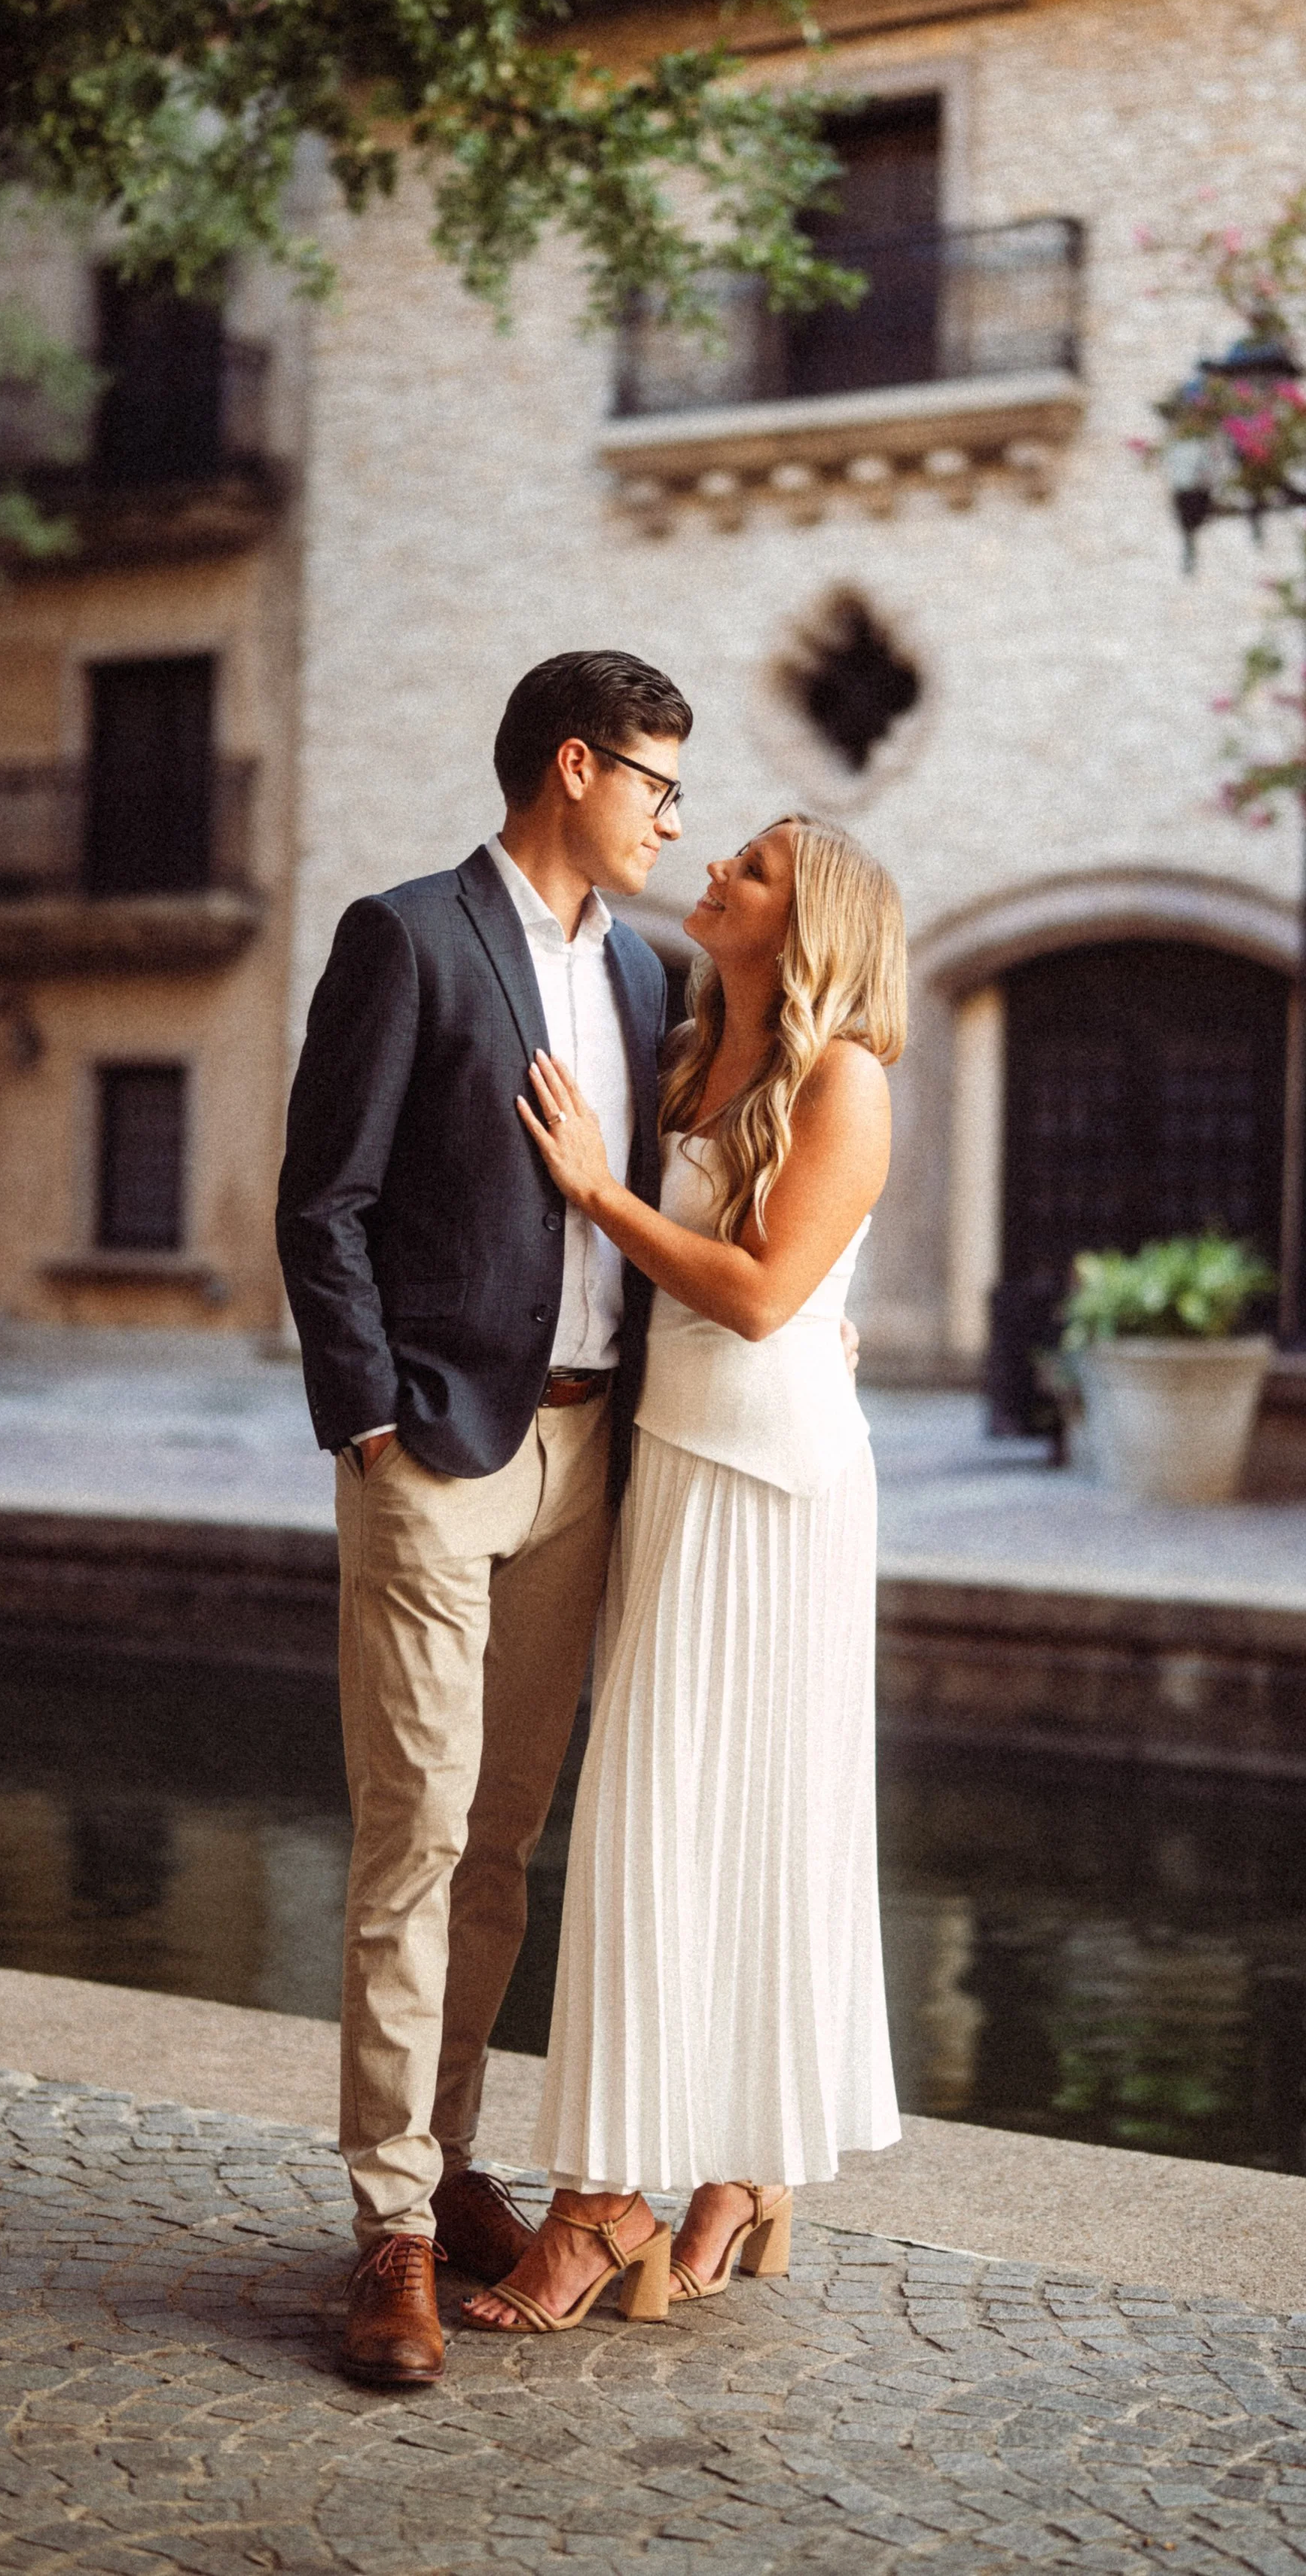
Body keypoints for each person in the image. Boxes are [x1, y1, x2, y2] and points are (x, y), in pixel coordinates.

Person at [275, 649, 691, 2386]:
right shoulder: (407, 936)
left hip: (595, 1456)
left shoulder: (655, 975)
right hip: (439, 1451)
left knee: (506, 1835)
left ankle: (448, 2167)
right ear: (574, 767)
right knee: (414, 1835)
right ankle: (386, 2227)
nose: (674, 816)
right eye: (657, 783)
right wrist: (370, 1417)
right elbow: (326, 1201)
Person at [462, 813, 905, 2339]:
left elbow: (770, 1295)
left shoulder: (845, 1079)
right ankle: (718, 2171)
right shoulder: (682, 1052)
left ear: (811, 919)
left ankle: (641, 2196)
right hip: (668, 1470)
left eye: (755, 871)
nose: (713, 871)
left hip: (776, 1493)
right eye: (721, 856)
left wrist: (599, 1191)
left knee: (736, 1824)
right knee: (659, 1827)